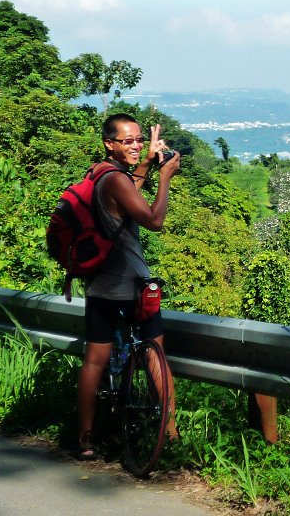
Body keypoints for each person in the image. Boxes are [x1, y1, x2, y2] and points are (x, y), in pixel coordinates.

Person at [76, 112, 180, 459]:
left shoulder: (100, 174)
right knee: (156, 354)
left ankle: (85, 438)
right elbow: (153, 220)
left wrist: (147, 164)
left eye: (139, 139)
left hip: (100, 284)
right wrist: (164, 176)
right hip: (132, 283)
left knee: (94, 361)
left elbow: (126, 197)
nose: (136, 146)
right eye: (128, 141)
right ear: (110, 143)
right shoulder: (116, 179)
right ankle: (169, 432)